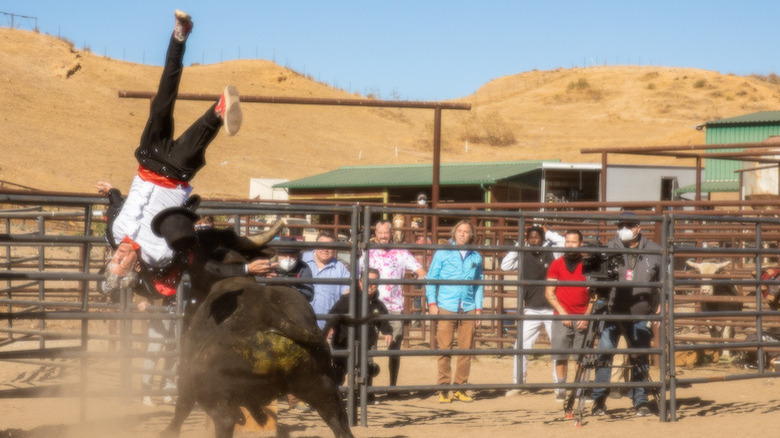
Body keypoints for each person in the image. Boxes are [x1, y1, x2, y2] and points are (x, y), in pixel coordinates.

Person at [96, 9, 243, 297]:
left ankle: (180, 35)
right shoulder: (158, 255)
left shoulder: (114, 233)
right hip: (174, 176)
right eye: (122, 262)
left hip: (150, 159)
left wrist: (111, 190)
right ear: (136, 268)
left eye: (114, 258)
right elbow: (182, 240)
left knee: (163, 98)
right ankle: (220, 110)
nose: (119, 255)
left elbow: (117, 204)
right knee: (201, 135)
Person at [591, 212, 661, 417]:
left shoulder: (654, 250)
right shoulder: (609, 248)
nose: (624, 229)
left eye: (629, 225)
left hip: (641, 313)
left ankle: (640, 401)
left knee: (640, 357)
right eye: (621, 225)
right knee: (604, 354)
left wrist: (661, 304)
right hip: (613, 311)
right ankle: (598, 400)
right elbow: (597, 279)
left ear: (638, 228)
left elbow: (664, 280)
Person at [363, 219, 426, 388]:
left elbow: (419, 269)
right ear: (375, 234)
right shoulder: (368, 252)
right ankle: (368, 388)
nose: (383, 236)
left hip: (394, 307)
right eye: (380, 232)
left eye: (386, 232)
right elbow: (358, 274)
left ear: (391, 234)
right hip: (371, 305)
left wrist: (420, 275)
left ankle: (393, 386)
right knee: (369, 346)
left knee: (394, 347)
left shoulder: (401, 252)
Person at [425, 220, 483, 403]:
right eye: (460, 231)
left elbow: (479, 284)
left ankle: (460, 387)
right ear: (454, 233)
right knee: (445, 348)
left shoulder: (476, 257)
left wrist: (479, 307)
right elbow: (431, 278)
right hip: (446, 306)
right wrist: (432, 303)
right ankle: (443, 388)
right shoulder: (443, 253)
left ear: (471, 235)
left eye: (466, 231)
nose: (463, 234)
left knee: (465, 350)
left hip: (468, 307)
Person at [501, 226, 556, 393]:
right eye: (530, 237)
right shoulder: (522, 253)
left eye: (536, 237)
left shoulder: (553, 252)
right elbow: (505, 266)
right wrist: (518, 245)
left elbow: (562, 243)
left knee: (558, 347)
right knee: (521, 346)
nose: (533, 240)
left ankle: (559, 385)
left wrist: (550, 234)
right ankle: (519, 383)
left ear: (542, 238)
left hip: (552, 308)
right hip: (532, 307)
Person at [325, 268, 393, 389]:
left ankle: (364, 394)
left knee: (364, 369)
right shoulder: (349, 299)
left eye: (374, 283)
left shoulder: (376, 304)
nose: (371, 286)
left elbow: (382, 320)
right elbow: (334, 313)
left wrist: (387, 331)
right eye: (367, 281)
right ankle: (335, 394)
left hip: (365, 343)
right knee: (339, 370)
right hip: (344, 341)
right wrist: (330, 326)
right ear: (360, 282)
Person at [545, 230, 592, 402]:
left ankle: (580, 389)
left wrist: (587, 315)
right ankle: (561, 387)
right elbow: (549, 292)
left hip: (582, 316)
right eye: (568, 242)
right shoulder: (557, 264)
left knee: (583, 356)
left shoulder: (588, 264)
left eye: (574, 242)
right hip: (562, 315)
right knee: (561, 354)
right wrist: (562, 313)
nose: (570, 245)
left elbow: (594, 294)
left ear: (581, 243)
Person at [302, 231, 350, 328]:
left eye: (330, 246)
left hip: (326, 330)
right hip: (301, 326)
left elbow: (347, 297)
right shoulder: (302, 260)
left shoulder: (341, 269)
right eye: (322, 245)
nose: (325, 249)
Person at [276, 235, 315, 302]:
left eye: (292, 256)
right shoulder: (270, 268)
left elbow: (309, 294)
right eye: (284, 255)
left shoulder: (304, 268)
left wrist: (291, 291)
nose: (288, 259)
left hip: (295, 306)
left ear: (297, 256)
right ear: (278, 255)